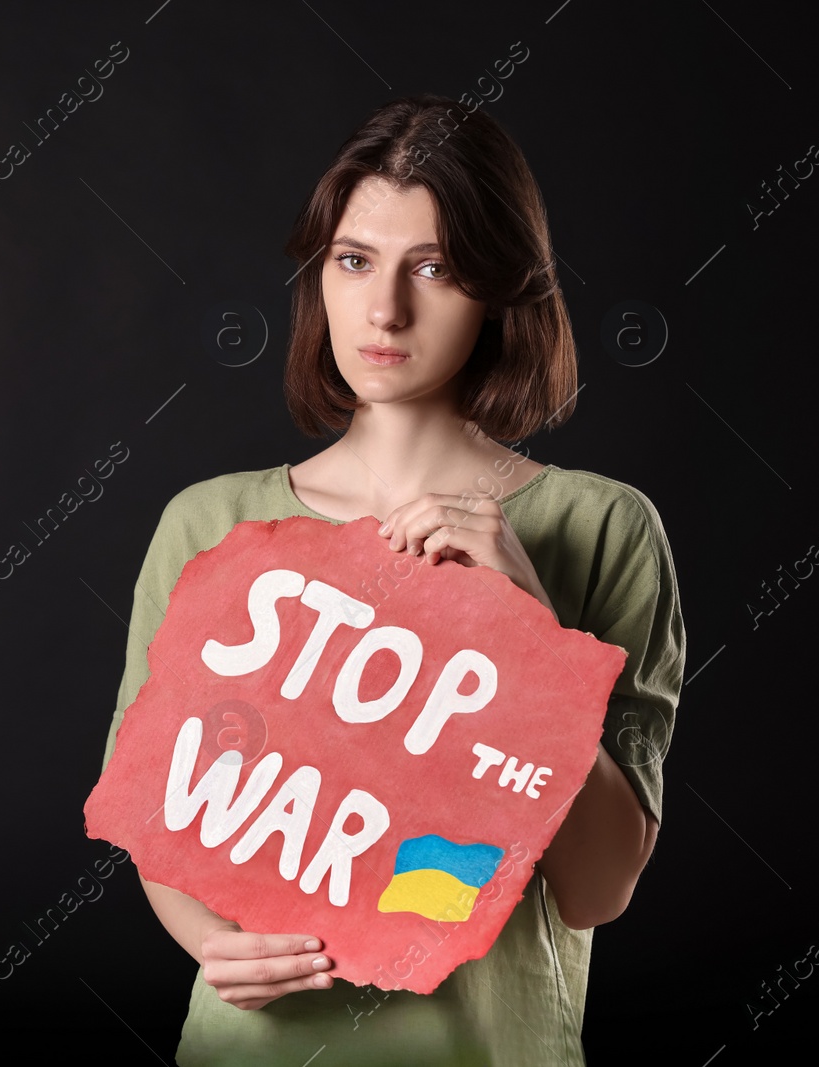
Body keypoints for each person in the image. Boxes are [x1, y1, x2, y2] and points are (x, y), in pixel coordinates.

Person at [97, 94, 685, 1065]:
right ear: (318, 277)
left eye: (435, 267)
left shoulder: (600, 528)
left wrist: (530, 636)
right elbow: (164, 814)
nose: (385, 309)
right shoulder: (209, 525)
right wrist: (212, 944)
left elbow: (597, 888)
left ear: (498, 288)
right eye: (354, 260)